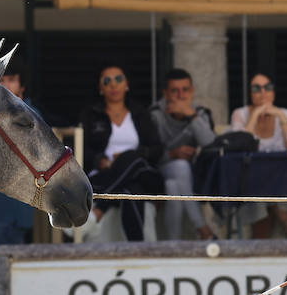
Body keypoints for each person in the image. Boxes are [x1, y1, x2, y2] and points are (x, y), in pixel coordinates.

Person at [79, 64, 163, 242]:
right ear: (101, 88)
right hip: (105, 175)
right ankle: (138, 249)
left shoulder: (140, 113)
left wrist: (129, 157)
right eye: (107, 81)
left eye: (118, 79)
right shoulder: (91, 114)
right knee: (131, 190)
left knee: (131, 158)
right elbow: (81, 148)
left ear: (127, 84)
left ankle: (99, 210)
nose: (113, 85)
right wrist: (98, 160)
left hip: (142, 173)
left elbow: (157, 148)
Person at [0, 61, 40, 245]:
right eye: (1, 80)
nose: (5, 85)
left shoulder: (30, 116)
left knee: (2, 263)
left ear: (23, 85)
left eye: (11, 80)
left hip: (13, 208)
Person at [229, 73, 287, 238]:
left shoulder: (285, 113)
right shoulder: (240, 114)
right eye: (256, 88)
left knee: (278, 200)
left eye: (267, 87)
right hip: (251, 178)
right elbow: (240, 145)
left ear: (273, 92)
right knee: (262, 202)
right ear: (250, 93)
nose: (263, 92)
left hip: (281, 177)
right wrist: (255, 116)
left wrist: (281, 118)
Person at [149, 68, 217, 240]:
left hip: (194, 176)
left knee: (173, 185)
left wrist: (191, 116)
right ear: (165, 93)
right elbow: (150, 153)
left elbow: (210, 144)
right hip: (156, 174)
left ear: (192, 91)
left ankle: (174, 243)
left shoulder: (200, 113)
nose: (181, 95)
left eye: (185, 90)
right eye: (174, 91)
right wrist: (173, 153)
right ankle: (201, 227)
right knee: (180, 166)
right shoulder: (155, 114)